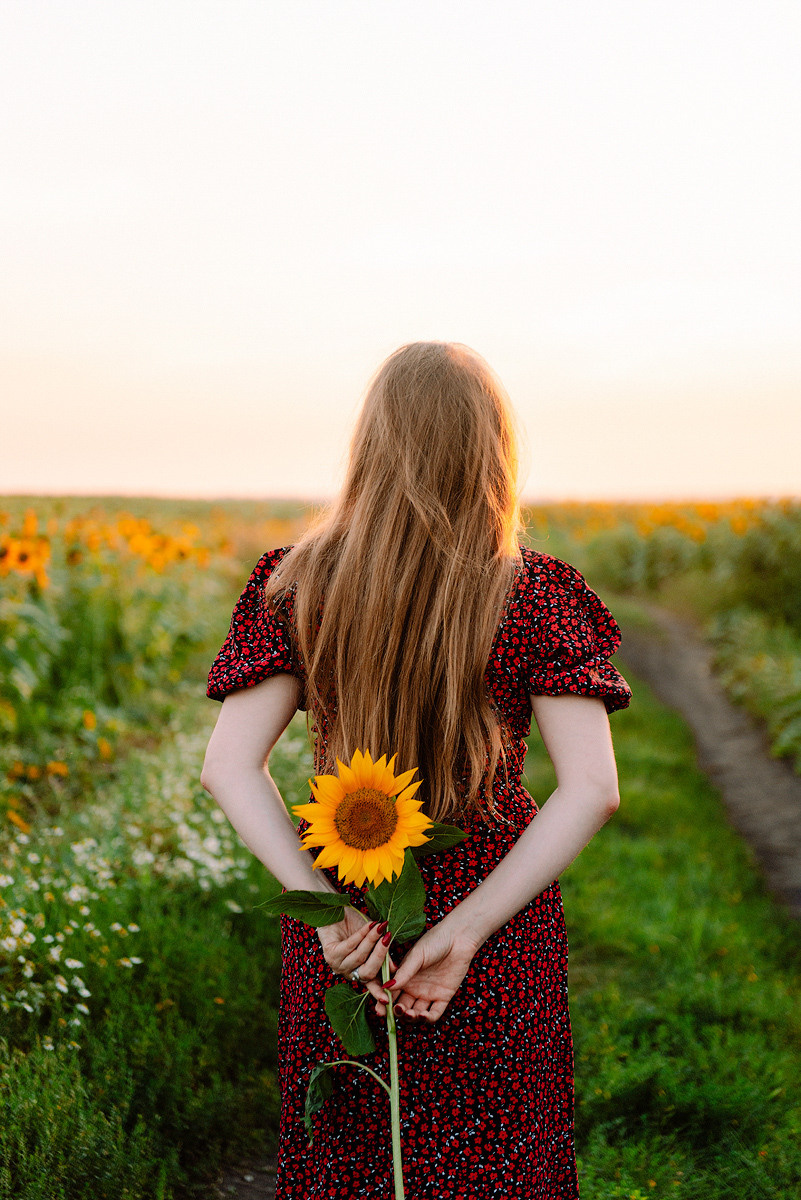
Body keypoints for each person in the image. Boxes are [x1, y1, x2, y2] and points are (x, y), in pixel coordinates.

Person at [201, 341, 632, 1199]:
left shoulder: (299, 585)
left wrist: (326, 918)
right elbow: (592, 789)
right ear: (492, 451)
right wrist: (466, 929)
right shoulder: (536, 594)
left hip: (348, 911)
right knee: (496, 1161)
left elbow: (228, 768)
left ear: (372, 446)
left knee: (355, 1160)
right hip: (496, 909)